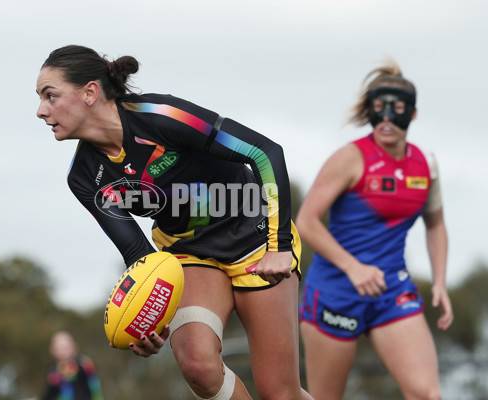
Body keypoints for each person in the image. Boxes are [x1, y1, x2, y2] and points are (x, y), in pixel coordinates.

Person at [36, 45, 312, 400]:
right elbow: (138, 254)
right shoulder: (85, 178)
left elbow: (264, 153)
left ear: (90, 92)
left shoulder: (160, 115)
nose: (41, 111)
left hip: (255, 239)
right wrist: (150, 318)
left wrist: (279, 248)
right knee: (198, 367)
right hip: (187, 252)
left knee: (280, 393)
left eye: (50, 96)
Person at [296, 59, 454, 399]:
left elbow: (436, 223)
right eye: (377, 109)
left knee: (428, 394)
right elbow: (306, 221)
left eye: (395, 110)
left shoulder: (426, 164)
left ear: (412, 114)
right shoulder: (350, 158)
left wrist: (440, 280)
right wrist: (353, 267)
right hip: (335, 292)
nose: (385, 119)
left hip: (391, 291)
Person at [41, 330, 104, 400]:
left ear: (74, 346)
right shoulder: (53, 371)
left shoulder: (84, 363)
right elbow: (50, 393)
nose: (62, 352)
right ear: (52, 350)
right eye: (59, 348)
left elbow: (95, 387)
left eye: (65, 348)